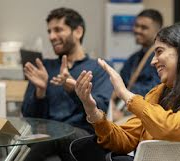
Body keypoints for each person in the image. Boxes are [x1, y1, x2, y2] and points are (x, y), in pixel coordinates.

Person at [71, 22, 180, 161]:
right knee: (85, 146)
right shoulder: (157, 93)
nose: (153, 61)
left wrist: (125, 94)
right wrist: (92, 111)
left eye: (159, 51)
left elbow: (172, 128)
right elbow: (124, 140)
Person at [21, 7, 113, 161]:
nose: (51, 36)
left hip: (83, 139)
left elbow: (101, 110)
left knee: (59, 133)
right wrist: (40, 92)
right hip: (48, 141)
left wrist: (75, 91)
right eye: (49, 31)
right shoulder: (45, 68)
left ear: (78, 31)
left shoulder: (99, 67)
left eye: (58, 30)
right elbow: (30, 118)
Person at [111, 9, 162, 121]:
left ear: (158, 31)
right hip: (125, 109)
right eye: (136, 26)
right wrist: (112, 100)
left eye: (144, 28)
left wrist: (123, 114)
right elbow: (121, 81)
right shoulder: (133, 58)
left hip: (144, 114)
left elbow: (155, 90)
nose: (137, 30)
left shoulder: (161, 59)